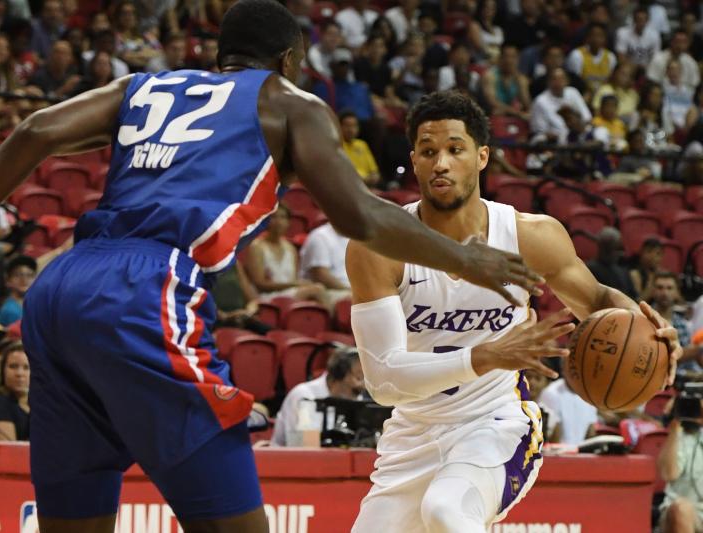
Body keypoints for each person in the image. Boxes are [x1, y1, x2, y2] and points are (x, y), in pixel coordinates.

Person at [0, 1, 547, 531]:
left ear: (219, 57)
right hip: (146, 288)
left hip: (62, 288)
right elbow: (360, 216)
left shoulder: (144, 85)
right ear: (292, 61)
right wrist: (466, 258)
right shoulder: (289, 103)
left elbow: (38, 130)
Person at [345, 91, 681, 533]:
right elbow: (385, 382)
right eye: (428, 152)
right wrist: (488, 356)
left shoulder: (529, 236)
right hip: (413, 434)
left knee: (446, 511)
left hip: (497, 424)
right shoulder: (379, 247)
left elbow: (598, 302)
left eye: (454, 149)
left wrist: (652, 329)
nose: (440, 163)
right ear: (414, 159)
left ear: (482, 156)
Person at [271, 347, 364, 446]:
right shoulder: (304, 396)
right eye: (358, 378)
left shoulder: (355, 398)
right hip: (291, 458)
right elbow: (302, 445)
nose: (363, 386)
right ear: (337, 376)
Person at [244, 205, 327, 303]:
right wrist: (295, 285)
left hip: (290, 293)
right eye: (274, 217)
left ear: (288, 222)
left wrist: (296, 285)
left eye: (282, 217)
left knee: (314, 298)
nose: (278, 221)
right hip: (266, 296)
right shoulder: (257, 247)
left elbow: (294, 279)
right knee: (317, 289)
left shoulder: (291, 249)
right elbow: (259, 284)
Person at [657, 399, 703, 533]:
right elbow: (668, 473)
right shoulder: (683, 436)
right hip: (686, 513)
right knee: (681, 509)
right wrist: (675, 427)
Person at [339, 110, 380, 187]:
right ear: (339, 126)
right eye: (347, 125)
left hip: (367, 186)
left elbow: (374, 172)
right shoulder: (337, 146)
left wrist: (374, 178)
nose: (351, 130)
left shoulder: (362, 144)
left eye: (354, 125)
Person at [0, 255, 37, 327]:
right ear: (8, 281)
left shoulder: (37, 304)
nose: (24, 279)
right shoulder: (9, 310)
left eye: (29, 275)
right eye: (17, 275)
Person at [630, 236, 663, 301]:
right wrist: (652, 280)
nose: (653, 256)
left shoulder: (663, 274)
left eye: (658, 253)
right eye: (649, 252)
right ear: (641, 253)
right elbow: (639, 301)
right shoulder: (635, 274)